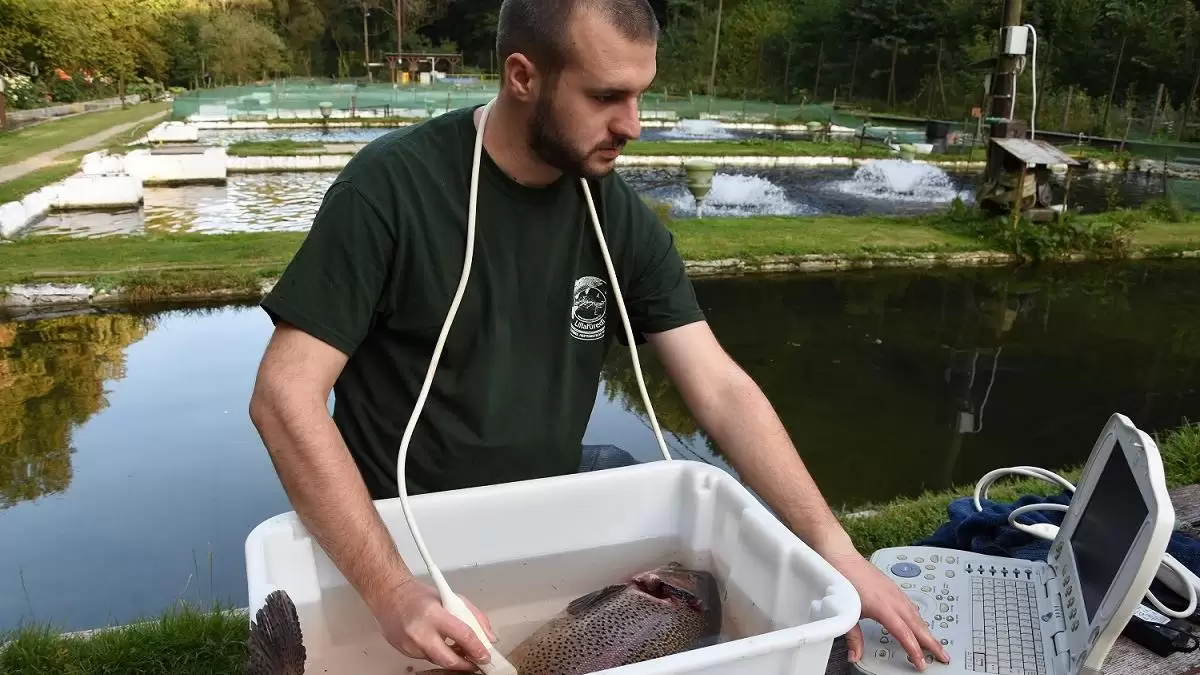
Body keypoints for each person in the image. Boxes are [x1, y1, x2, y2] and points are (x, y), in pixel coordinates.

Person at [247, 0, 952, 671]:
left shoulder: (616, 217)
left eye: (641, 94)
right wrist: (391, 589)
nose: (633, 124)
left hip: (550, 514)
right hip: (403, 532)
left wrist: (834, 548)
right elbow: (284, 398)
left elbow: (720, 387)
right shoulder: (391, 191)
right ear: (522, 76)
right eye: (606, 96)